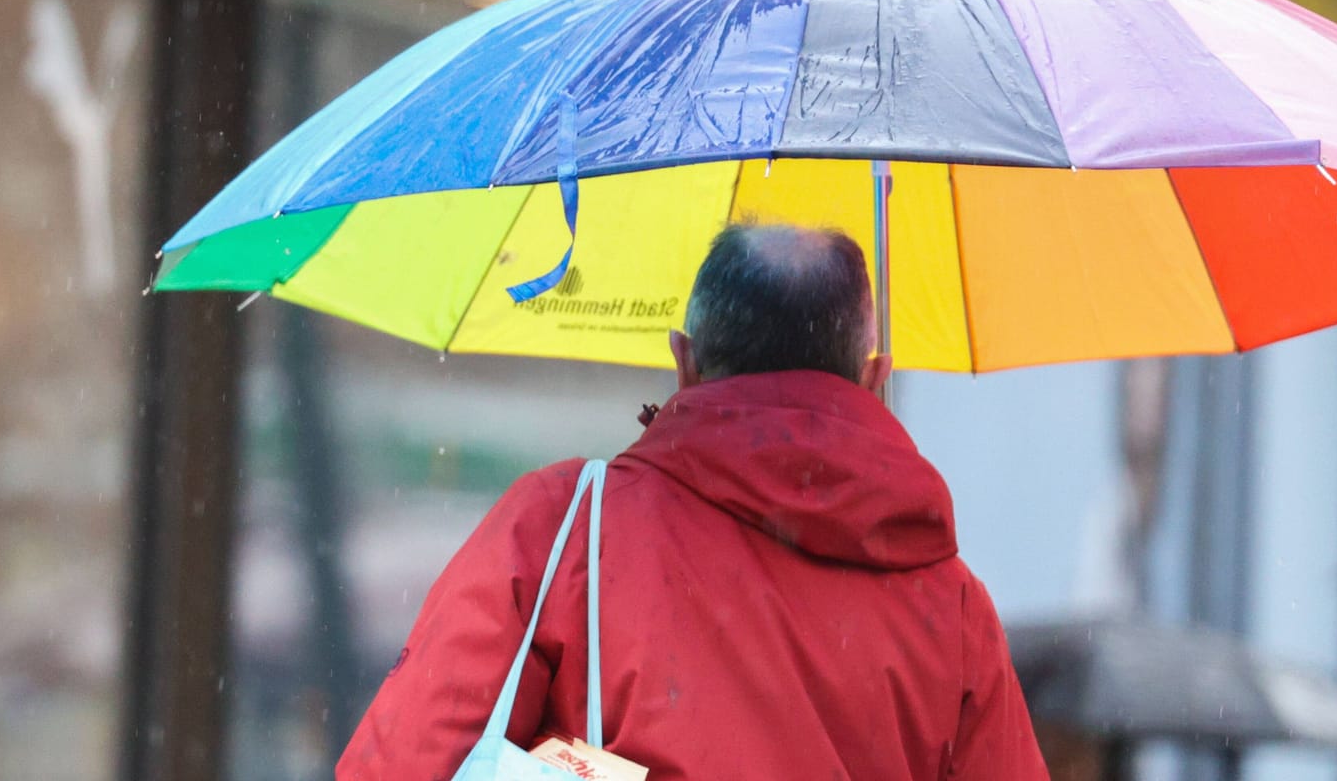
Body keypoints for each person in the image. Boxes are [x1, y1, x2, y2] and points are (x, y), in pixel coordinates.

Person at [338, 224, 1049, 779]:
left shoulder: (564, 531)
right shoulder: (951, 609)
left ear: (685, 360)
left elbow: (406, 764)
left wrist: (561, 758)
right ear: (875, 376)